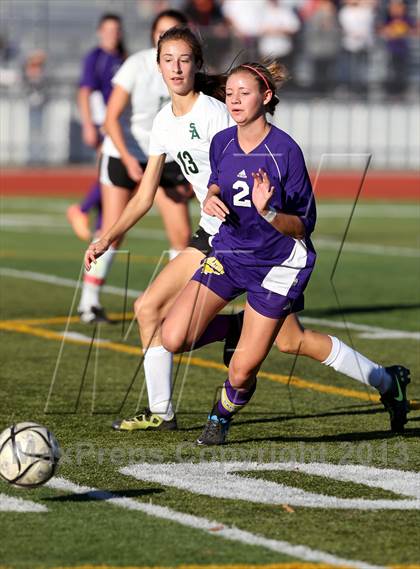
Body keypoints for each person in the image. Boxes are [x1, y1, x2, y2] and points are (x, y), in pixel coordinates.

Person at [85, 33, 410, 437]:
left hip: (261, 246)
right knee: (175, 318)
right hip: (223, 238)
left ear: (197, 63)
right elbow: (153, 192)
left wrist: (264, 208)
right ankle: (165, 406)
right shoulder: (165, 121)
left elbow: (260, 163)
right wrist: (107, 236)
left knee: (276, 343)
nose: (176, 67)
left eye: (184, 59)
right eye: (167, 59)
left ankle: (380, 380)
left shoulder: (219, 114)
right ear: (158, 65)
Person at [78, 10, 194, 324]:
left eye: (174, 32)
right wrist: (129, 161)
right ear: (154, 37)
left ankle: (173, 306)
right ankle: (89, 302)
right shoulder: (137, 64)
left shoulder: (189, 69)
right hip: (125, 152)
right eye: (162, 33)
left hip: (166, 157)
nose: (168, 40)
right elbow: (112, 116)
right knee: (114, 231)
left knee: (182, 235)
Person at [67, 13, 126, 242]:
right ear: (100, 32)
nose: (113, 35)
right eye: (109, 30)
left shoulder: (122, 57)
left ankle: (103, 227)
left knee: (110, 176)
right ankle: (82, 209)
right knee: (109, 174)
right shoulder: (96, 57)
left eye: (117, 30)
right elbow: (84, 92)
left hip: (119, 123)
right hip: (104, 124)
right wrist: (89, 125)